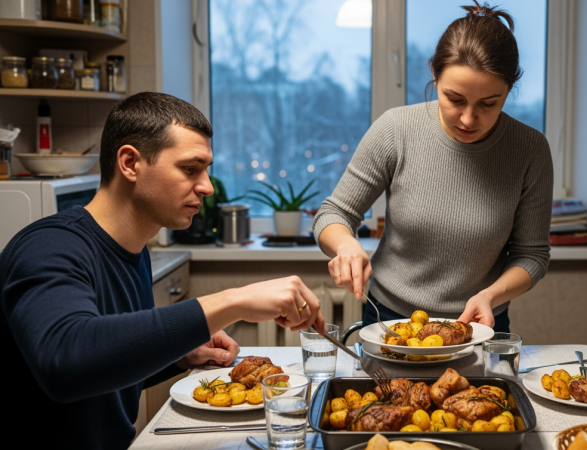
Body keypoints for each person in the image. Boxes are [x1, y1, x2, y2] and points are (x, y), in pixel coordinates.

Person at [0, 92, 325, 450]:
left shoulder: (134, 251)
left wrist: (179, 355)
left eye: (206, 170)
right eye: (190, 169)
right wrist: (234, 301)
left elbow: (106, 371)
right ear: (130, 163)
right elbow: (66, 363)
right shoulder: (48, 246)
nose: (207, 187)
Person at [313, 1, 552, 331]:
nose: (469, 118)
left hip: (480, 323)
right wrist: (347, 246)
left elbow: (532, 255)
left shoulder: (530, 149)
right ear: (435, 76)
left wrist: (491, 296)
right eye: (455, 99)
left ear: (509, 90)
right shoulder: (396, 130)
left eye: (488, 104)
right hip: (391, 321)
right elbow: (333, 214)